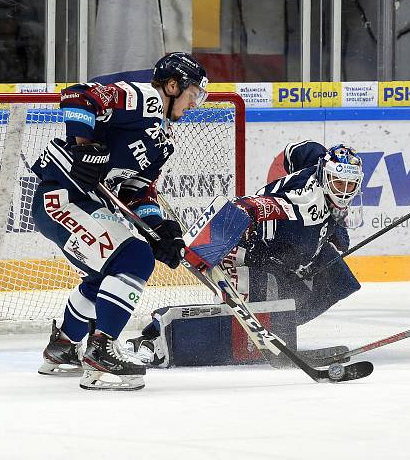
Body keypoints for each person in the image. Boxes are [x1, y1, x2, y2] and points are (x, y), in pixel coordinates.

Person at [33, 52, 209, 391]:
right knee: (134, 258)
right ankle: (101, 351)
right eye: (192, 95)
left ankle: (64, 346)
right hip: (62, 196)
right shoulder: (146, 100)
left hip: (78, 202)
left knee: (108, 275)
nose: (193, 105)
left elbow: (136, 192)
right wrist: (85, 145)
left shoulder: (163, 142)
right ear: (172, 85)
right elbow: (77, 95)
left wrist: (161, 229)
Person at [127, 140, 363, 365]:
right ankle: (159, 333)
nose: (342, 191)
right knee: (241, 331)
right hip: (246, 254)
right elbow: (246, 206)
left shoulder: (317, 162)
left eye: (349, 184)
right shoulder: (303, 199)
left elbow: (297, 151)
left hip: (286, 253)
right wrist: (202, 246)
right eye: (337, 183)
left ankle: (281, 327)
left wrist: (332, 225)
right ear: (324, 175)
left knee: (339, 280)